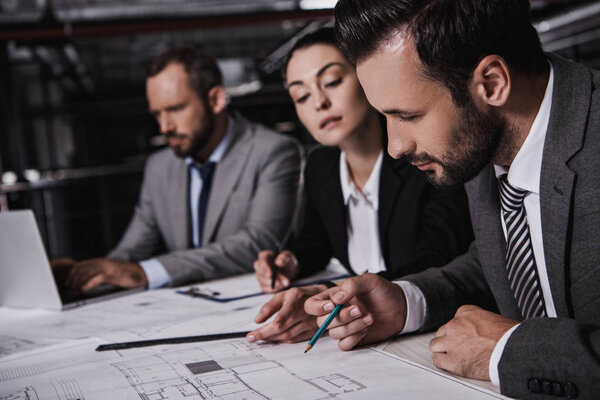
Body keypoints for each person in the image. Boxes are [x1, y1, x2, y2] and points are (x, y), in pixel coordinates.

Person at [304, 1, 600, 399]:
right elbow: (505, 258)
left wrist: (511, 350)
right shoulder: (484, 135)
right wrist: (408, 301)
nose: (394, 146)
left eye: (408, 116)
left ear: (492, 83)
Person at [247, 28, 473, 344]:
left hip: (427, 326)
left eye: (332, 82)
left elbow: (437, 261)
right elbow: (317, 240)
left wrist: (331, 292)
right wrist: (291, 260)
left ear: (369, 78)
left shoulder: (422, 156)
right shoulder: (320, 166)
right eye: (302, 95)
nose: (319, 103)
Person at [62, 46, 301, 291]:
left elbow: (257, 244)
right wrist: (80, 276)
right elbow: (129, 254)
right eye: (157, 114)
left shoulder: (273, 151)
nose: (164, 127)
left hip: (257, 303)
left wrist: (147, 272)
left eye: (176, 109)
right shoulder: (159, 167)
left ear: (216, 100)